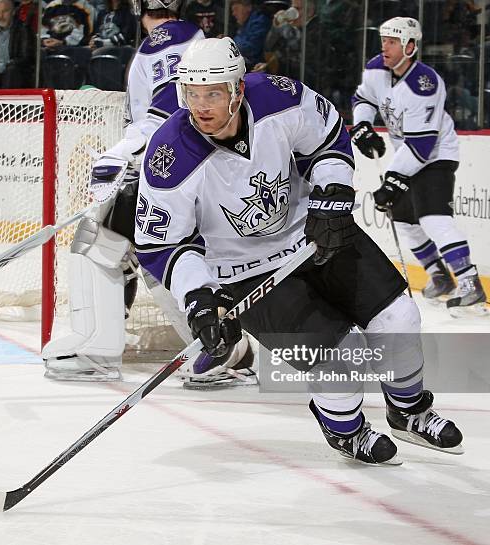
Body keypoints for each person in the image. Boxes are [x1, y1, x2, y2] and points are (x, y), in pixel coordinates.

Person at [134, 36, 464, 464]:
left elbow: (327, 139)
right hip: (243, 272)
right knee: (339, 362)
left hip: (312, 233)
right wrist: (198, 300)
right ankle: (346, 430)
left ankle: (409, 410)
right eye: (192, 94)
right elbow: (162, 245)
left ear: (238, 88)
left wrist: (332, 193)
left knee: (398, 318)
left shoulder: (278, 97)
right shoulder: (169, 155)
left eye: (213, 93)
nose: (201, 107)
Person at [42, 0, 223, 383]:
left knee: (102, 241)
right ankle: (217, 349)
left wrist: (121, 153)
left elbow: (168, 108)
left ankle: (98, 347)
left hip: (176, 163)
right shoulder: (194, 37)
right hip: (184, 163)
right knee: (142, 248)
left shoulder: (169, 36)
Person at [350, 17, 487, 315]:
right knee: (404, 222)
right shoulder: (376, 67)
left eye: (392, 41)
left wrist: (393, 179)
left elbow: (423, 144)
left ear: (410, 46)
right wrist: (362, 125)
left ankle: (469, 282)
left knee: (433, 219)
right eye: (383, 40)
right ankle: (439, 275)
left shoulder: (425, 84)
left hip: (436, 156)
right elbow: (363, 98)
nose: (385, 46)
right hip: (408, 156)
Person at [230, 0, 272, 70]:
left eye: (236, 9)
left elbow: (251, 48)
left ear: (248, 7)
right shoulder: (244, 23)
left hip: (258, 67)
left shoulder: (260, 21)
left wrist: (231, 43)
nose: (233, 14)